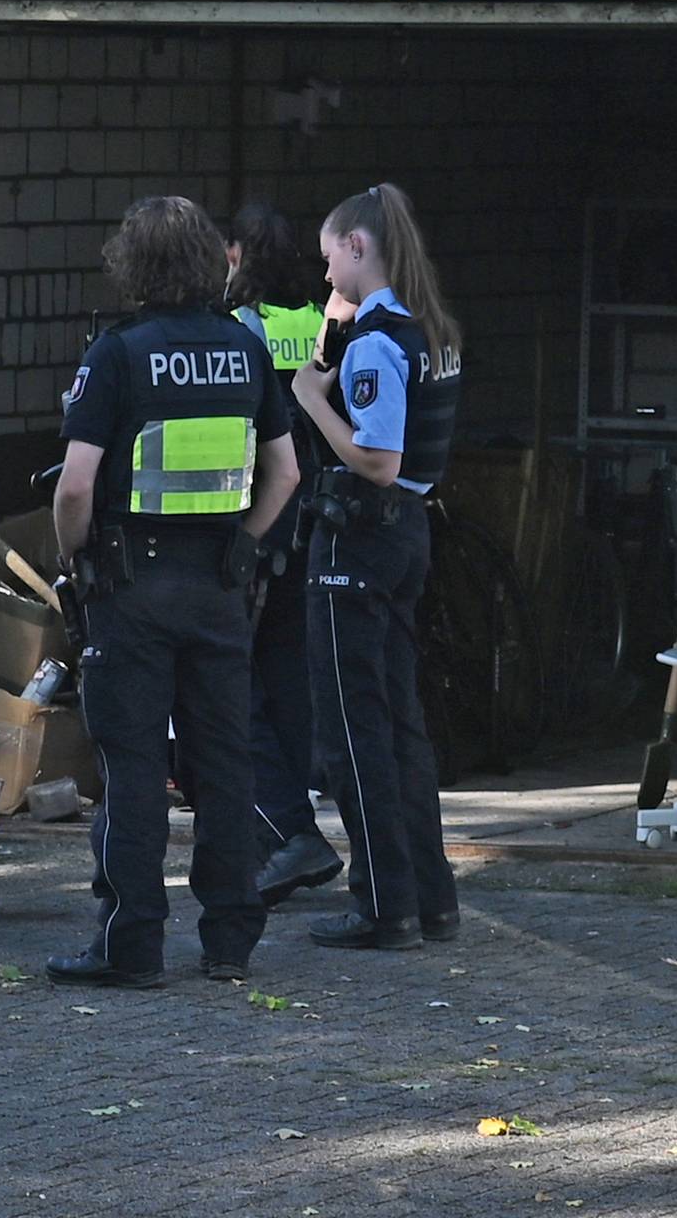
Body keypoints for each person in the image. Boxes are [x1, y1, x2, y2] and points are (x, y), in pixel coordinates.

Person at [46, 196, 302, 988]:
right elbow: (285, 473)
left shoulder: (118, 354)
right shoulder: (243, 348)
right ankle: (229, 940)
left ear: (133, 266)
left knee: (132, 768)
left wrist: (75, 559)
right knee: (223, 765)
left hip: (132, 584)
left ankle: (132, 945)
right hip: (221, 586)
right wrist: (245, 546)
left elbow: (76, 488)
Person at [291, 184, 463, 952]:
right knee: (399, 725)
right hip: (409, 539)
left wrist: (308, 395)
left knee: (352, 733)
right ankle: (429, 898)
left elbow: (378, 459)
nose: (326, 279)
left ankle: (381, 906)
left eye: (330, 261)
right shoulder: (430, 328)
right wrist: (329, 343)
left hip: (362, 538)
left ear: (358, 247)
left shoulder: (377, 344)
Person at [223, 200, 343, 907]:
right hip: (318, 525)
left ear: (238, 256)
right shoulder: (316, 323)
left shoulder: (240, 328)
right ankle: (286, 830)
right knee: (290, 681)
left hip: (262, 525)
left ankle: (288, 830)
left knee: (238, 686)